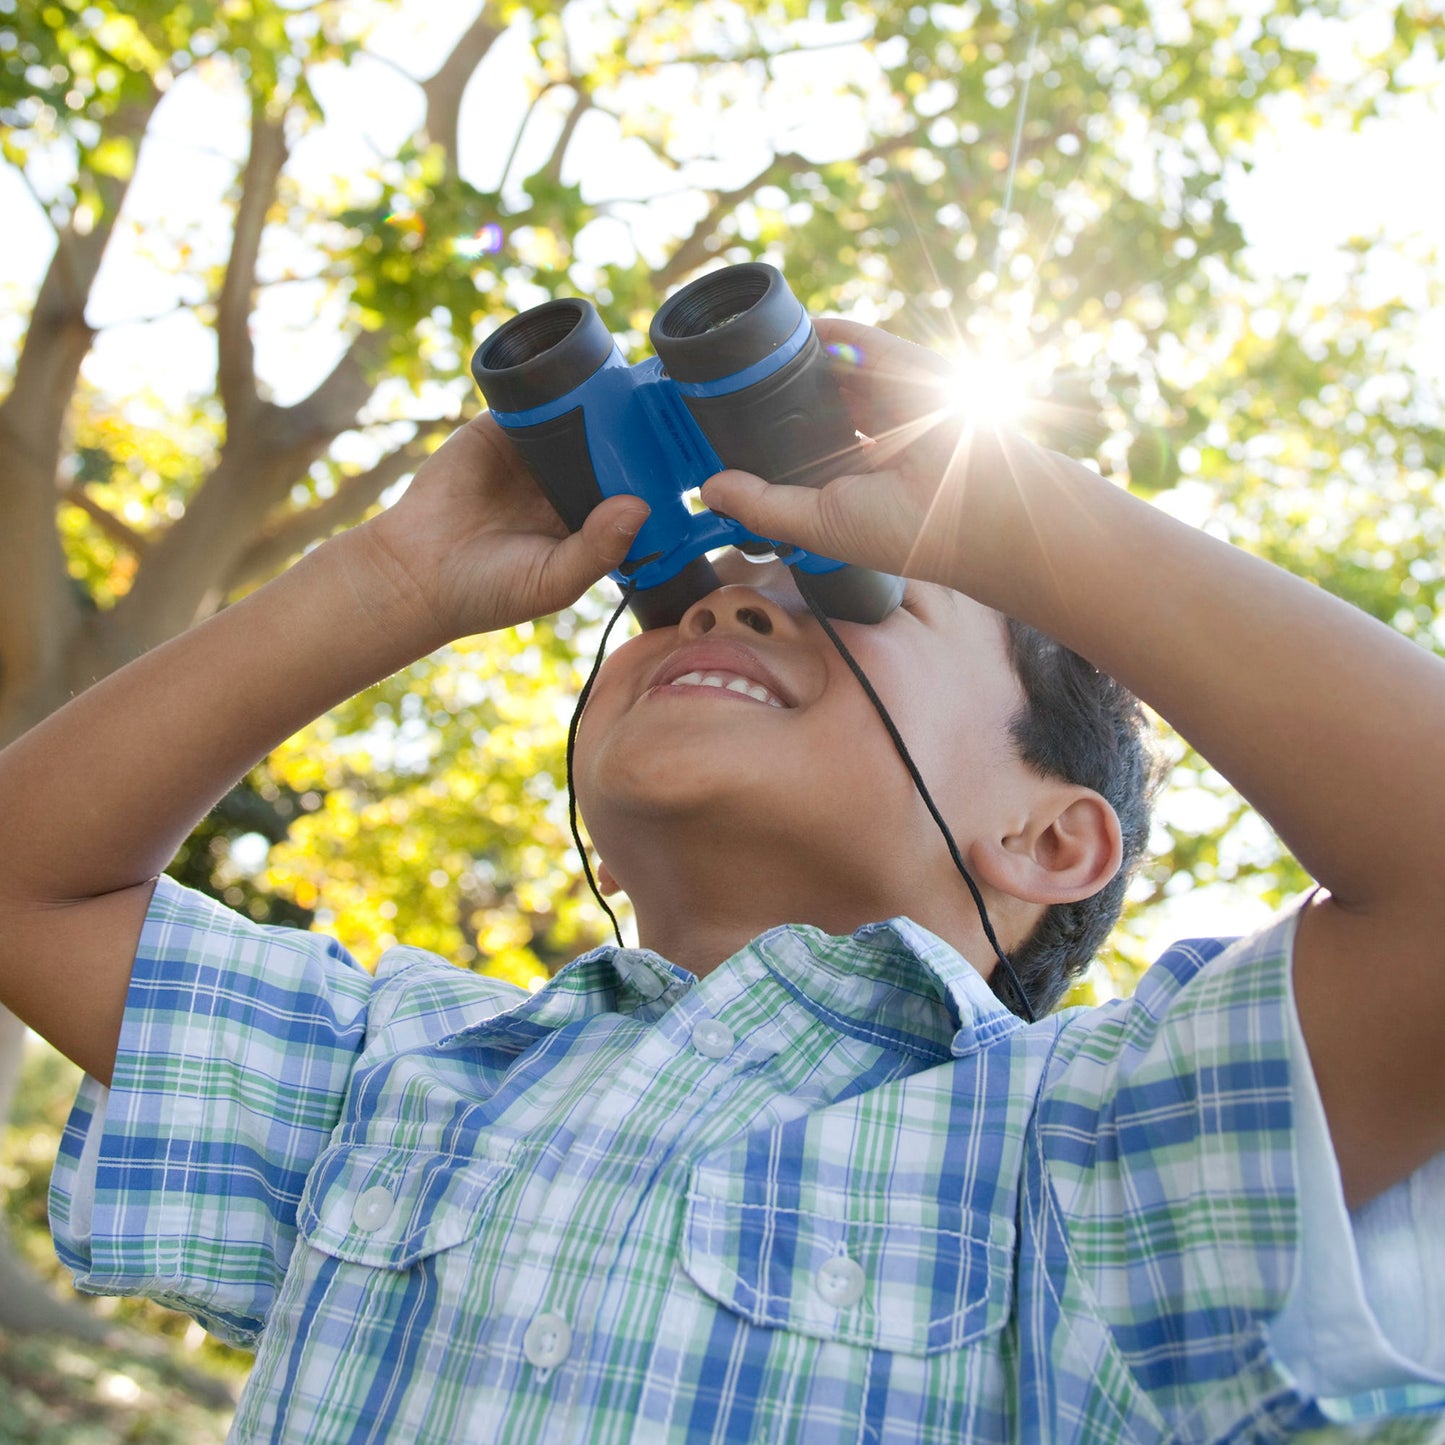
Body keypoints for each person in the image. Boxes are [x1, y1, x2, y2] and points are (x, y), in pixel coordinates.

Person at [1, 315, 1442, 1443]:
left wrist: (1027, 520)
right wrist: (387, 579)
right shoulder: (406, 1061)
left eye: (855, 585)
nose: (732, 592)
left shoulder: (1088, 1153)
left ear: (1048, 841)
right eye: (683, 594)